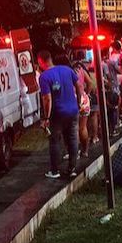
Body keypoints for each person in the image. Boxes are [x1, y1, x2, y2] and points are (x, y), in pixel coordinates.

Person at [38, 50, 82, 178]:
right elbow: (78, 85)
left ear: (41, 61)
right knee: (73, 138)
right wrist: (78, 102)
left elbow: (47, 98)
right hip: (73, 110)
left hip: (58, 113)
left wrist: (46, 117)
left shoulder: (44, 77)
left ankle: (54, 170)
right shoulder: (67, 70)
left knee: (55, 140)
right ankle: (72, 168)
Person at [72, 60, 95, 158]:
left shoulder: (69, 71)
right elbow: (90, 83)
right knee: (83, 127)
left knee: (75, 129)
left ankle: (75, 153)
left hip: (73, 99)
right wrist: (87, 93)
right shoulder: (81, 70)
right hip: (84, 99)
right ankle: (85, 151)